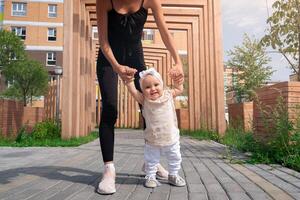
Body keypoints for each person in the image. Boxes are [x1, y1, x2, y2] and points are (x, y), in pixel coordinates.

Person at [96, 0, 184, 194]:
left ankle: (150, 163)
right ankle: (109, 169)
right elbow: (103, 41)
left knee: (150, 107)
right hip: (108, 58)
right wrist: (117, 67)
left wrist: (178, 62)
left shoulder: (150, 0)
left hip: (135, 56)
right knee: (110, 108)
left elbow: (164, 31)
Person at [125, 68, 186, 188]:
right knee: (151, 160)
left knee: (175, 157)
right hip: (152, 139)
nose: (152, 89)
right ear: (143, 90)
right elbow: (133, 91)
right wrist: (129, 81)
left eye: (156, 84)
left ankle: (173, 175)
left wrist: (177, 80)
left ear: (162, 84)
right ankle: (150, 177)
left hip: (171, 137)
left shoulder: (168, 94)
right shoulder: (144, 100)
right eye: (147, 87)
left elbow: (179, 89)